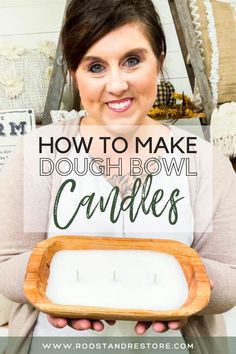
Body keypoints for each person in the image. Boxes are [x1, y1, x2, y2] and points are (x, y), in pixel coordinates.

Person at [0, 0, 236, 353]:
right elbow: (6, 264)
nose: (117, 84)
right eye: (95, 66)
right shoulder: (38, 152)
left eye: (132, 60)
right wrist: (68, 290)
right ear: (73, 72)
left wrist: (179, 291)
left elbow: (229, 274)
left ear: (159, 58)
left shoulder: (204, 161)